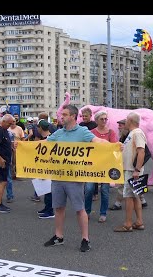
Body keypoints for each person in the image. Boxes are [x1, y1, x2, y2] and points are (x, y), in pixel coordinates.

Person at [43, 105, 108, 252]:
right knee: (58, 208)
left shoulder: (83, 132)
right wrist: (21, 145)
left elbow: (98, 142)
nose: (62, 117)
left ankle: (85, 239)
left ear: (73, 116)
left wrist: (114, 146)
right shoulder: (58, 133)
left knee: (80, 209)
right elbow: (43, 144)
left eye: (65, 114)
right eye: (62, 114)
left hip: (75, 178)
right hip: (58, 177)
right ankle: (58, 236)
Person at [114, 112, 147, 232]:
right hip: (132, 170)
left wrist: (137, 170)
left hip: (132, 170)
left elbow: (141, 151)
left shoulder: (137, 133)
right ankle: (139, 221)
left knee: (128, 197)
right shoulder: (132, 133)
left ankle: (127, 224)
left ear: (131, 121)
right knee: (135, 196)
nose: (125, 122)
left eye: (126, 120)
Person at [84, 111, 118, 223]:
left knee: (104, 190)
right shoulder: (91, 132)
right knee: (88, 189)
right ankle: (87, 211)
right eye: (102, 119)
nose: (104, 121)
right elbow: (86, 147)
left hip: (106, 165)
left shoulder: (111, 133)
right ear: (97, 120)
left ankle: (103, 213)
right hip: (93, 165)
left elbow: (114, 147)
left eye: (105, 119)